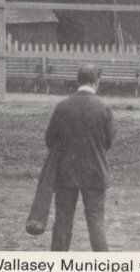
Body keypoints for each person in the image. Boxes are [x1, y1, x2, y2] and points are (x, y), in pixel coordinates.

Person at [44, 63, 115, 251]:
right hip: (95, 173)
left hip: (66, 173)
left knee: (62, 223)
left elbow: (50, 139)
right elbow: (108, 141)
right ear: (96, 82)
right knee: (96, 224)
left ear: (78, 81)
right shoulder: (104, 108)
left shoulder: (62, 106)